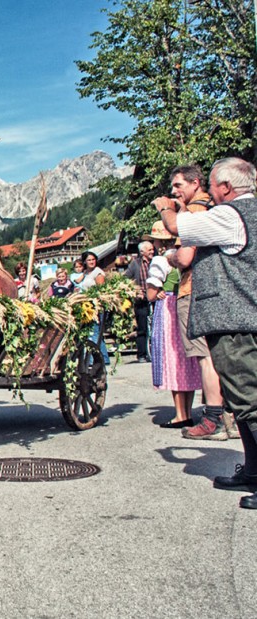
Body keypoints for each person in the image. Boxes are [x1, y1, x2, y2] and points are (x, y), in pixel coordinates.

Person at [154, 157, 257, 509]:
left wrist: (167, 208)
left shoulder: (232, 214)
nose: (211, 192)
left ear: (226, 187)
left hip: (237, 320)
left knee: (250, 401)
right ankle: (253, 470)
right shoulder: (242, 213)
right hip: (235, 318)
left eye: (213, 185)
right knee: (241, 401)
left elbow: (177, 227)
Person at [164, 165, 230, 440]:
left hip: (193, 290)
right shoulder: (215, 208)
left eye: (179, 185)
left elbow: (186, 257)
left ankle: (213, 419)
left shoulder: (194, 211)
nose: (174, 191)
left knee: (205, 357)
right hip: (214, 289)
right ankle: (230, 417)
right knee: (220, 355)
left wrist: (171, 256)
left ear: (195, 183)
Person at [143, 221, 201, 428]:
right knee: (187, 360)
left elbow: (150, 294)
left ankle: (180, 414)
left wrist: (154, 292)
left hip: (168, 310)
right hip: (186, 305)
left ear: (158, 241)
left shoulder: (160, 260)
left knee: (173, 359)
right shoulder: (186, 255)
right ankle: (188, 412)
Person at [124, 241, 154, 362]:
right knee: (142, 328)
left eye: (152, 249)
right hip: (141, 300)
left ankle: (155, 353)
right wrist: (135, 292)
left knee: (155, 328)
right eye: (149, 250)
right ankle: (141, 354)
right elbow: (125, 279)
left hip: (155, 298)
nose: (152, 251)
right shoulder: (135, 264)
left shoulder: (156, 261)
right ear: (142, 252)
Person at [78, 251, 110, 364]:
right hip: (87, 306)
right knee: (93, 333)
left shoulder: (98, 273)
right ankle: (100, 359)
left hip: (96, 306)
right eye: (89, 260)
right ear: (85, 262)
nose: (92, 262)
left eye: (93, 259)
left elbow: (101, 292)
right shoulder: (86, 273)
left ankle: (97, 360)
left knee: (94, 332)